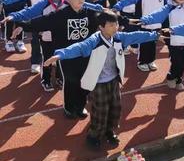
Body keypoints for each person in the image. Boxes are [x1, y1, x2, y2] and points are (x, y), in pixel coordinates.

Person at [44, 11, 160, 149]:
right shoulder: (94, 41)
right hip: (98, 83)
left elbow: (135, 36)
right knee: (100, 110)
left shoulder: (118, 38)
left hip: (114, 80)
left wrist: (154, 35)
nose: (115, 27)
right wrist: (60, 55)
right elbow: (80, 47)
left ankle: (109, 131)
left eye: (116, 24)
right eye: (111, 25)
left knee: (115, 107)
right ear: (101, 27)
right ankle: (94, 135)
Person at [11, 0, 103, 118]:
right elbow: (42, 21)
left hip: (85, 54)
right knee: (71, 81)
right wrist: (22, 26)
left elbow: (107, 20)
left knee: (85, 81)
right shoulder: (61, 15)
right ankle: (69, 108)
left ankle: (80, 106)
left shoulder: (90, 13)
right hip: (67, 55)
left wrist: (122, 20)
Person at [112, 0, 170, 71]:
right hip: (144, 22)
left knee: (153, 42)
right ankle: (142, 61)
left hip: (156, 23)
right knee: (144, 42)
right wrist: (117, 6)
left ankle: (151, 61)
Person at [1, 0, 50, 71]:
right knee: (36, 41)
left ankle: (53, 62)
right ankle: (35, 62)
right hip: (37, 19)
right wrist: (3, 1)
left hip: (53, 18)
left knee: (53, 41)